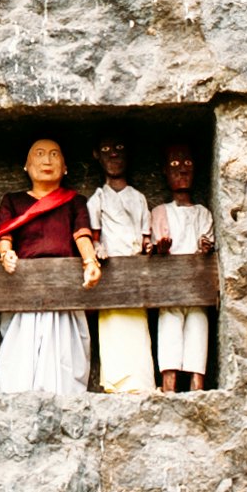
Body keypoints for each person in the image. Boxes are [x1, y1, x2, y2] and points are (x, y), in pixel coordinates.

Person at [0, 138, 100, 395]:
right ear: (26, 166)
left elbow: (82, 235)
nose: (47, 160)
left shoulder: (74, 201)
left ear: (66, 167)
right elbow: (4, 237)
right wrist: (6, 255)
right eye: (38, 154)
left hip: (63, 291)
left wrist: (90, 262)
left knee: (64, 359)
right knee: (19, 361)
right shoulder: (13, 201)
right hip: (24, 289)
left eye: (54, 154)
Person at [84, 144, 155, 396]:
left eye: (120, 148)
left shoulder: (138, 198)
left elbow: (146, 235)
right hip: (111, 272)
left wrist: (149, 246)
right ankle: (117, 384)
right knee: (113, 329)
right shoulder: (98, 199)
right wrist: (97, 247)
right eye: (105, 148)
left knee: (138, 329)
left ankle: (142, 383)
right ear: (96, 156)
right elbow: (94, 235)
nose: (113, 154)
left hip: (135, 272)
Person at [151, 148, 216, 390]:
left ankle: (197, 385)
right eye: (175, 163)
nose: (182, 168)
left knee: (198, 329)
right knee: (169, 330)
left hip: (197, 284)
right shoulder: (159, 212)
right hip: (170, 284)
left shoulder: (203, 213)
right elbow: (153, 246)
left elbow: (206, 241)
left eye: (188, 161)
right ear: (164, 172)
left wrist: (205, 247)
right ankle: (169, 385)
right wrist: (160, 249)